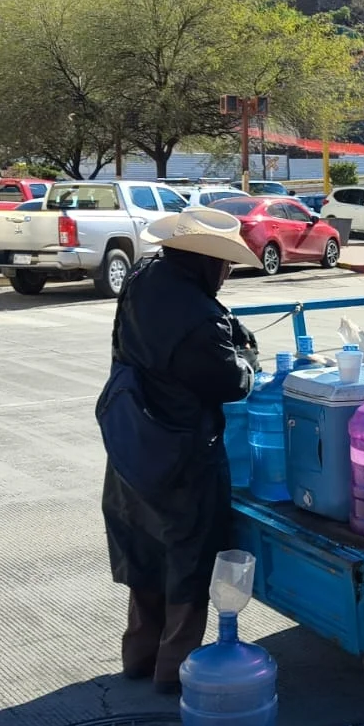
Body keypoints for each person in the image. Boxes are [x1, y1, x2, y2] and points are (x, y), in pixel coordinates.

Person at [100, 207, 262, 693]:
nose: (228, 273)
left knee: (143, 549)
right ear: (206, 261)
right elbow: (229, 382)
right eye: (225, 265)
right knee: (188, 558)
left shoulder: (145, 278)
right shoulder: (198, 319)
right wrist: (248, 362)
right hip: (181, 455)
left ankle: (139, 655)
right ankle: (174, 671)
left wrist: (230, 332)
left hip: (132, 443)